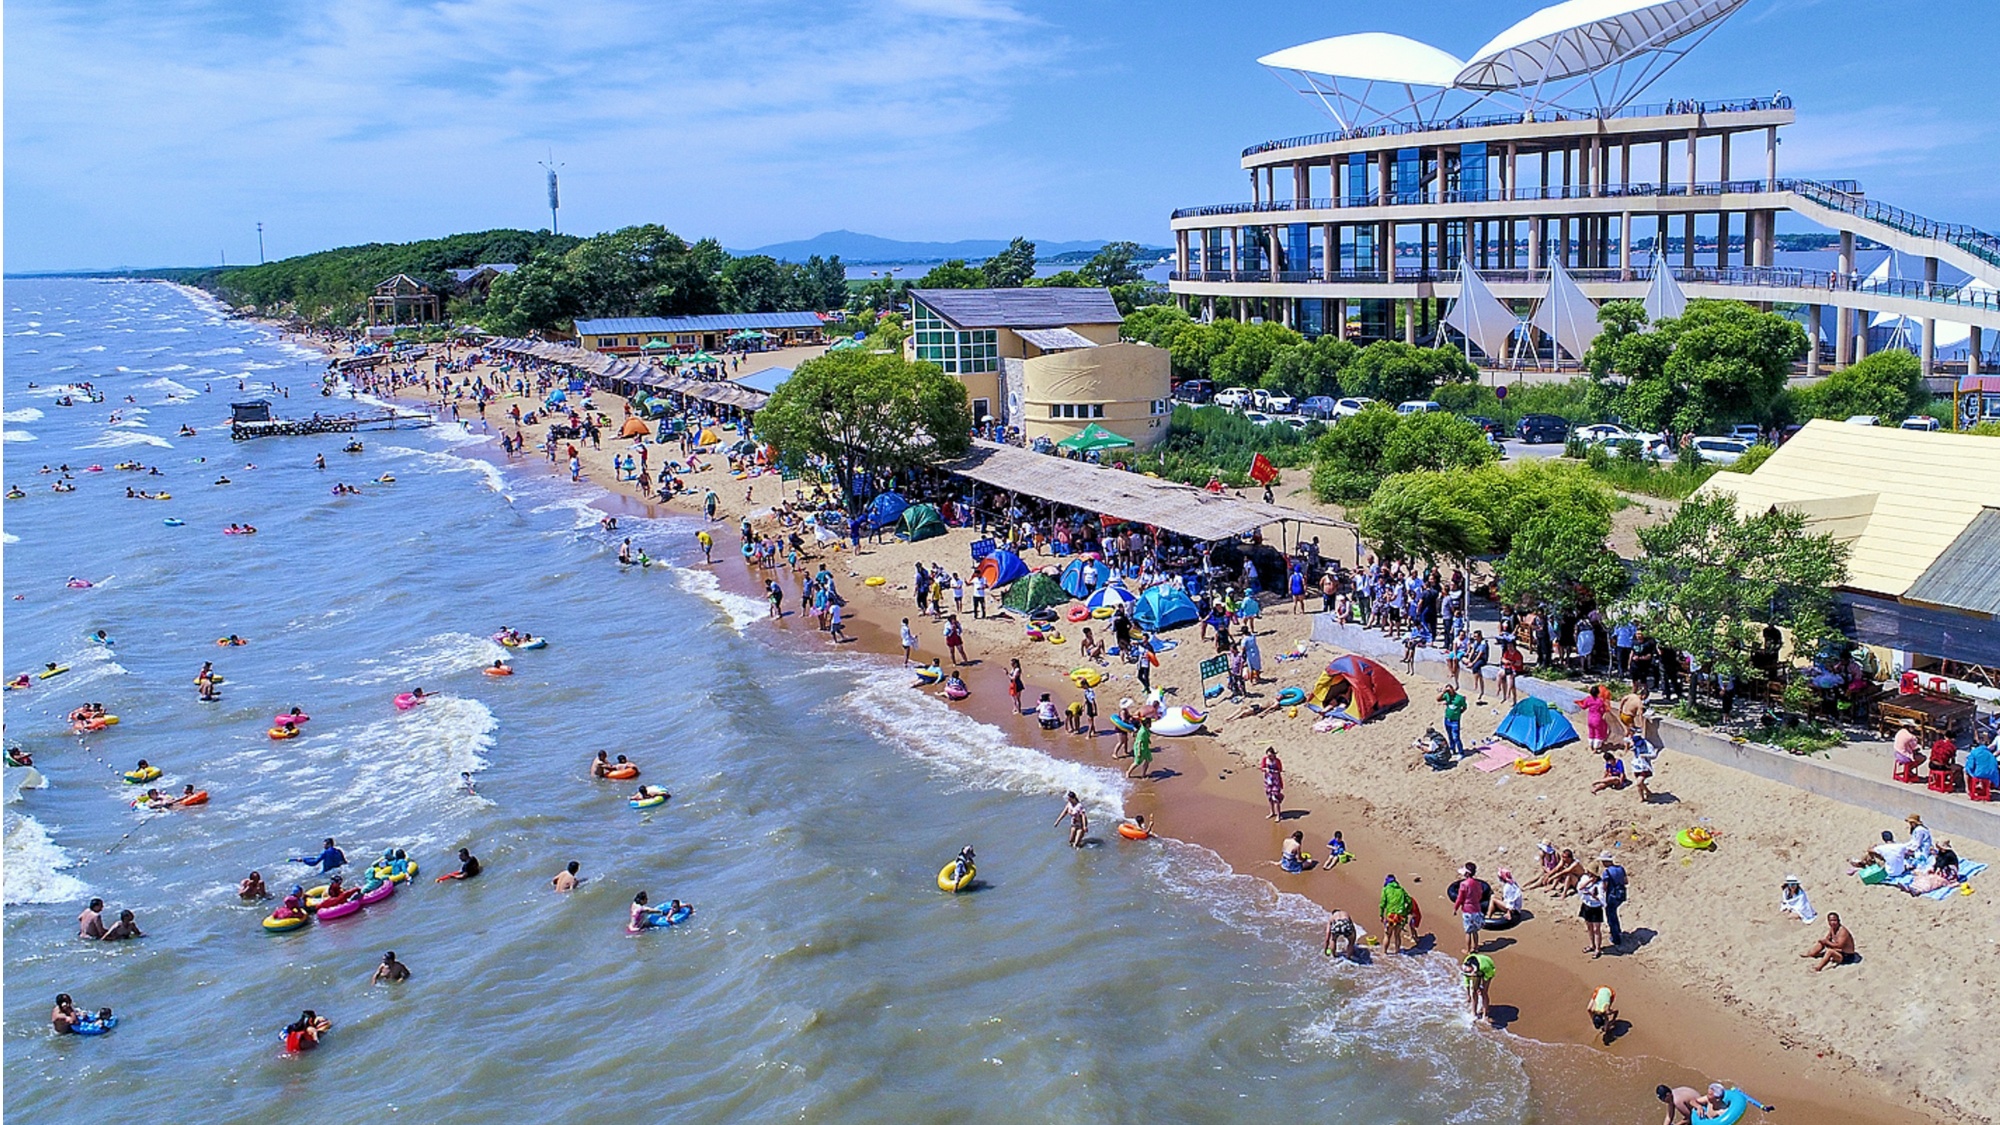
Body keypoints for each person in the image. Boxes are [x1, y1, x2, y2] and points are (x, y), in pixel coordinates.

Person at [1379, 874, 1420, 954]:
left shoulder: (1386, 889)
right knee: (1397, 935)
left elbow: (1382, 903)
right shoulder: (1401, 889)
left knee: (1387, 935)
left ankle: (1384, 953)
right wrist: (1407, 911)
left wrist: (1381, 915)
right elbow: (1409, 900)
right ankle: (1397, 953)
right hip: (1400, 916)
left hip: (1391, 916)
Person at [1453, 863, 1489, 954]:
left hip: (1467, 910)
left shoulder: (1463, 884)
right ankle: (1476, 947)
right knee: (1475, 931)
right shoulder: (1477, 884)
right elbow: (1480, 895)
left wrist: (1455, 908)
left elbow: (1460, 898)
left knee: (1468, 931)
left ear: (1467, 873)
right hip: (1476, 909)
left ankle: (1468, 950)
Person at [1599, 852, 1628, 947]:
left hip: (1612, 896)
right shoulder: (1620, 868)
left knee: (1611, 916)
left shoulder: (1606, 872)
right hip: (1621, 894)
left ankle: (1616, 938)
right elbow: (1626, 881)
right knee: (1614, 913)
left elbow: (1605, 887)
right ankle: (1618, 931)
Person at [1578, 865, 1607, 956]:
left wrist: (1594, 896)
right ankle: (1592, 945)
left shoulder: (1600, 883)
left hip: (1596, 907)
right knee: (1589, 927)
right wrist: (1589, 881)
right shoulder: (1585, 878)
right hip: (1587, 905)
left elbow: (1602, 898)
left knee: (1596, 929)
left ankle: (1598, 949)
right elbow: (1580, 887)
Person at [1461, 953, 1495, 1019]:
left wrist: (1482, 986)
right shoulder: (1466, 967)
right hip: (1476, 970)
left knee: (1483, 992)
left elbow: (1490, 974)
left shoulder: (1485, 967)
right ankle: (1474, 1012)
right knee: (1473, 991)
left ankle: (1485, 1014)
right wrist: (1468, 995)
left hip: (1488, 970)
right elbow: (1467, 982)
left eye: (1470, 973)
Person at [1437, 686, 1467, 758]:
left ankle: (1461, 752)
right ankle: (1452, 749)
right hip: (1447, 719)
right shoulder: (1447, 696)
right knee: (1450, 736)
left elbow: (1465, 707)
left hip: (1455, 721)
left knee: (1456, 737)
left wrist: (1459, 713)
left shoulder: (1459, 698)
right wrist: (1443, 692)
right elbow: (1438, 699)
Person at [1260, 747, 1284, 821]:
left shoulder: (1277, 761)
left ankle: (1278, 815)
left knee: (1275, 798)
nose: (1269, 757)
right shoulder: (1265, 760)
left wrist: (1274, 771)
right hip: (1268, 781)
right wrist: (1265, 769)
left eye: (1270, 755)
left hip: (1276, 781)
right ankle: (1272, 812)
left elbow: (1280, 770)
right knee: (1269, 798)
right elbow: (1262, 768)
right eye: (1268, 756)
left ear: (1274, 755)